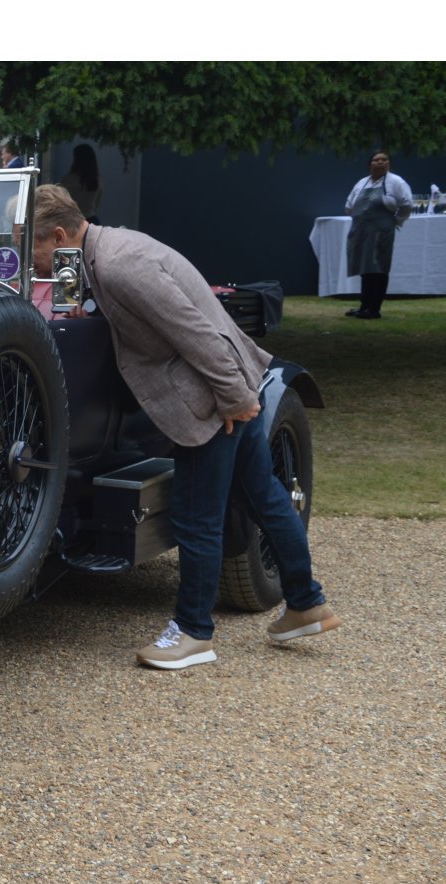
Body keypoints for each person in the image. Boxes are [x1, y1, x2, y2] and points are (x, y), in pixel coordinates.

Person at [30, 184, 340, 669]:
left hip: (212, 399)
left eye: (34, 246)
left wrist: (236, 399)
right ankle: (306, 601)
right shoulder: (97, 251)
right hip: (224, 392)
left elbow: (196, 331)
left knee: (197, 517)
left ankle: (194, 633)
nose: (32, 261)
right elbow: (85, 310)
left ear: (62, 234)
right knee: (264, 494)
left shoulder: (119, 263)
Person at [344, 150, 413, 319]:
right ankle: (364, 306)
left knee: (378, 268)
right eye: (377, 160)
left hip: (381, 231)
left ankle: (374, 309)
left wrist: (395, 221)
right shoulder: (362, 183)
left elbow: (407, 204)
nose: (381, 162)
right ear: (370, 165)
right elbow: (349, 205)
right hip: (361, 232)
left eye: (384, 160)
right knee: (365, 269)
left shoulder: (396, 182)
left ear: (388, 164)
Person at [58, 143, 103, 224]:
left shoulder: (68, 179)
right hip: (92, 220)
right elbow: (97, 204)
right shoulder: (97, 180)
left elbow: (61, 202)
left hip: (72, 221)